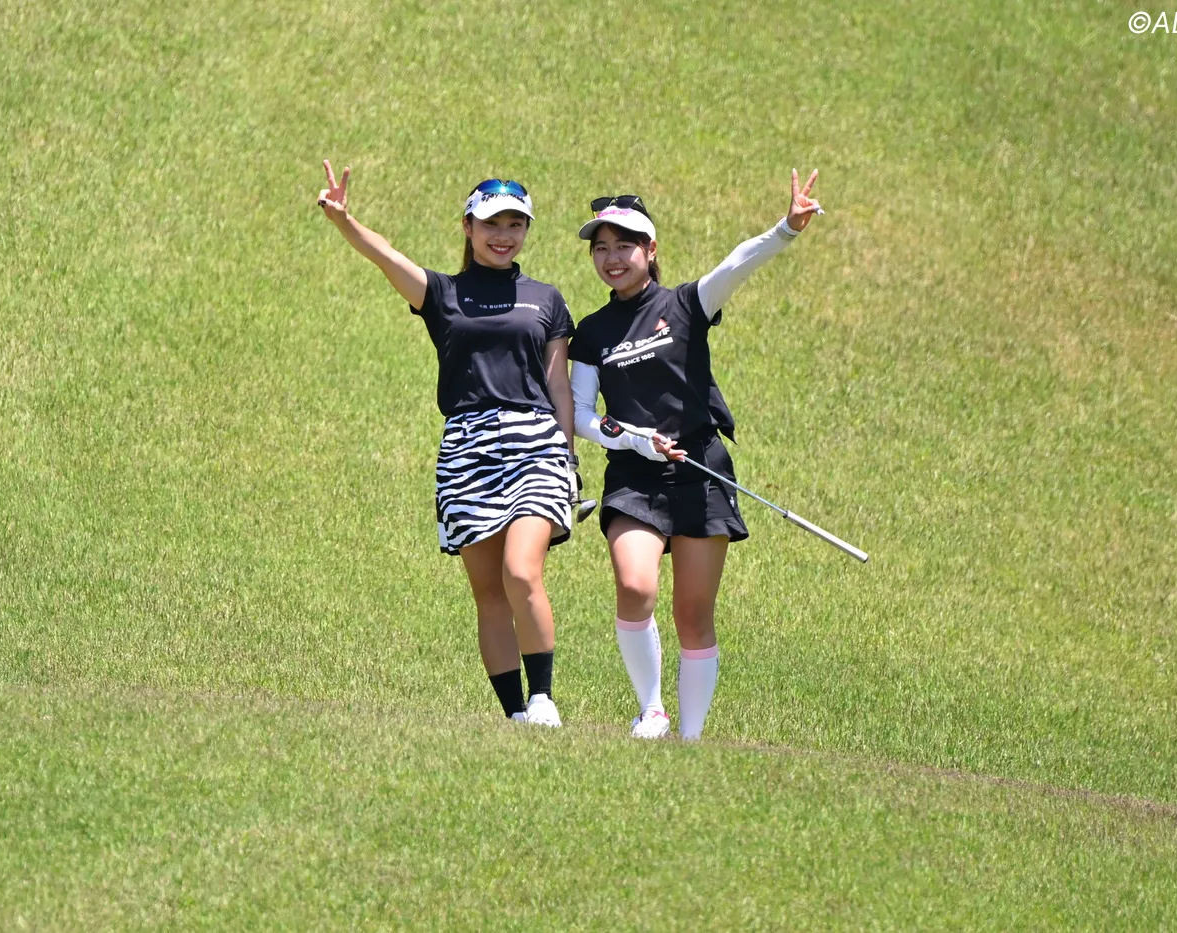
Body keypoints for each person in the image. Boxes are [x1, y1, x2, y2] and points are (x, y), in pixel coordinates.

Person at [317, 161, 579, 726]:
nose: (503, 235)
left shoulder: (547, 299)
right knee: (489, 593)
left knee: (521, 573)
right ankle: (515, 717)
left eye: (515, 224)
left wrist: (569, 457)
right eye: (491, 224)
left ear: (527, 229)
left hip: (536, 444)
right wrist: (344, 222)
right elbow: (387, 257)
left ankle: (542, 699)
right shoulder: (443, 292)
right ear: (468, 226)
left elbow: (558, 384)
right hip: (467, 447)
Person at [568, 171, 823, 739]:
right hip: (634, 476)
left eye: (624, 245)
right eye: (601, 248)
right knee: (635, 586)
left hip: (700, 472)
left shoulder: (686, 303)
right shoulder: (592, 332)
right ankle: (652, 710)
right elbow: (581, 414)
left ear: (651, 249)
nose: (612, 258)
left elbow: (736, 266)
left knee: (692, 613)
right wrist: (634, 437)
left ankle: (690, 738)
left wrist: (786, 229)